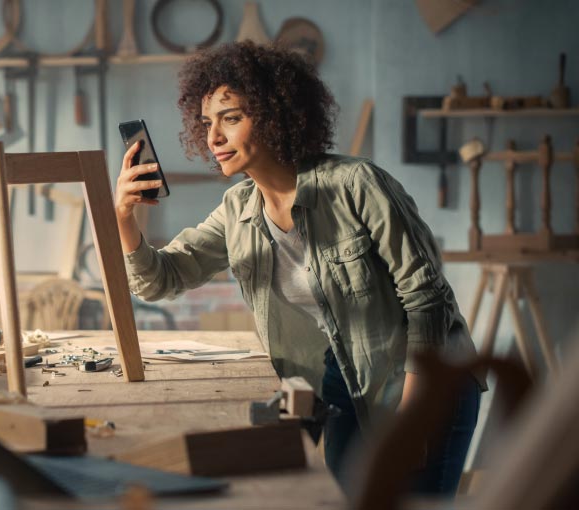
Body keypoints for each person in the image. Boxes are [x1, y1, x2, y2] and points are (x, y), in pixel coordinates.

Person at [115, 42, 483, 495]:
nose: (213, 138)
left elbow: (427, 298)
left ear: (275, 115)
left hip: (424, 380)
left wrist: (409, 419)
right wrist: (123, 218)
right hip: (344, 374)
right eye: (207, 123)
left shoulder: (356, 185)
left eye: (231, 118)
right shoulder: (237, 209)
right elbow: (160, 278)